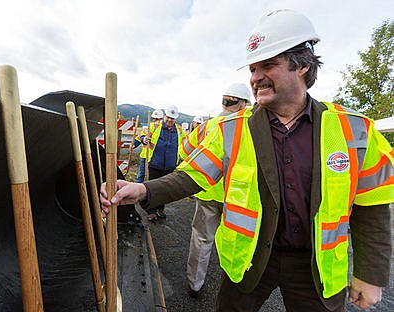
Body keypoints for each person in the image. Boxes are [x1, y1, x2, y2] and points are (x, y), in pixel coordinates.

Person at [100, 9, 393, 312]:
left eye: (268, 65)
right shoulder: (233, 130)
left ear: (303, 66)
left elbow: (372, 207)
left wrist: (370, 275)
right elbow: (191, 176)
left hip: (315, 267)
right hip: (250, 261)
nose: (255, 78)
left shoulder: (355, 131)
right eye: (253, 69)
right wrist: (143, 190)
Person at [180, 82, 251, 298]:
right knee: (237, 241)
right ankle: (234, 285)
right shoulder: (249, 126)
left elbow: (185, 151)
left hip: (207, 192)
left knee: (201, 238)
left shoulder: (207, 126)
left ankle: (195, 284)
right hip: (238, 197)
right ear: (244, 104)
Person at [141, 105, 186, 221]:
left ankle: (161, 209)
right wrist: (144, 139)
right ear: (164, 116)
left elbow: (186, 145)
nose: (170, 120)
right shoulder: (155, 126)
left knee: (165, 189)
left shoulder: (180, 130)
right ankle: (151, 211)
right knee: (152, 188)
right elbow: (142, 134)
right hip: (155, 163)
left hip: (170, 165)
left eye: (172, 118)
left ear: (175, 119)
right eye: (168, 117)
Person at [133, 109, 164, 183]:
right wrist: (136, 143)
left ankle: (149, 190)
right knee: (142, 175)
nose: (155, 120)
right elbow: (141, 136)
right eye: (154, 118)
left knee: (152, 176)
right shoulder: (150, 126)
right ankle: (138, 189)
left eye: (157, 119)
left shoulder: (165, 129)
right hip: (146, 155)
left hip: (156, 157)